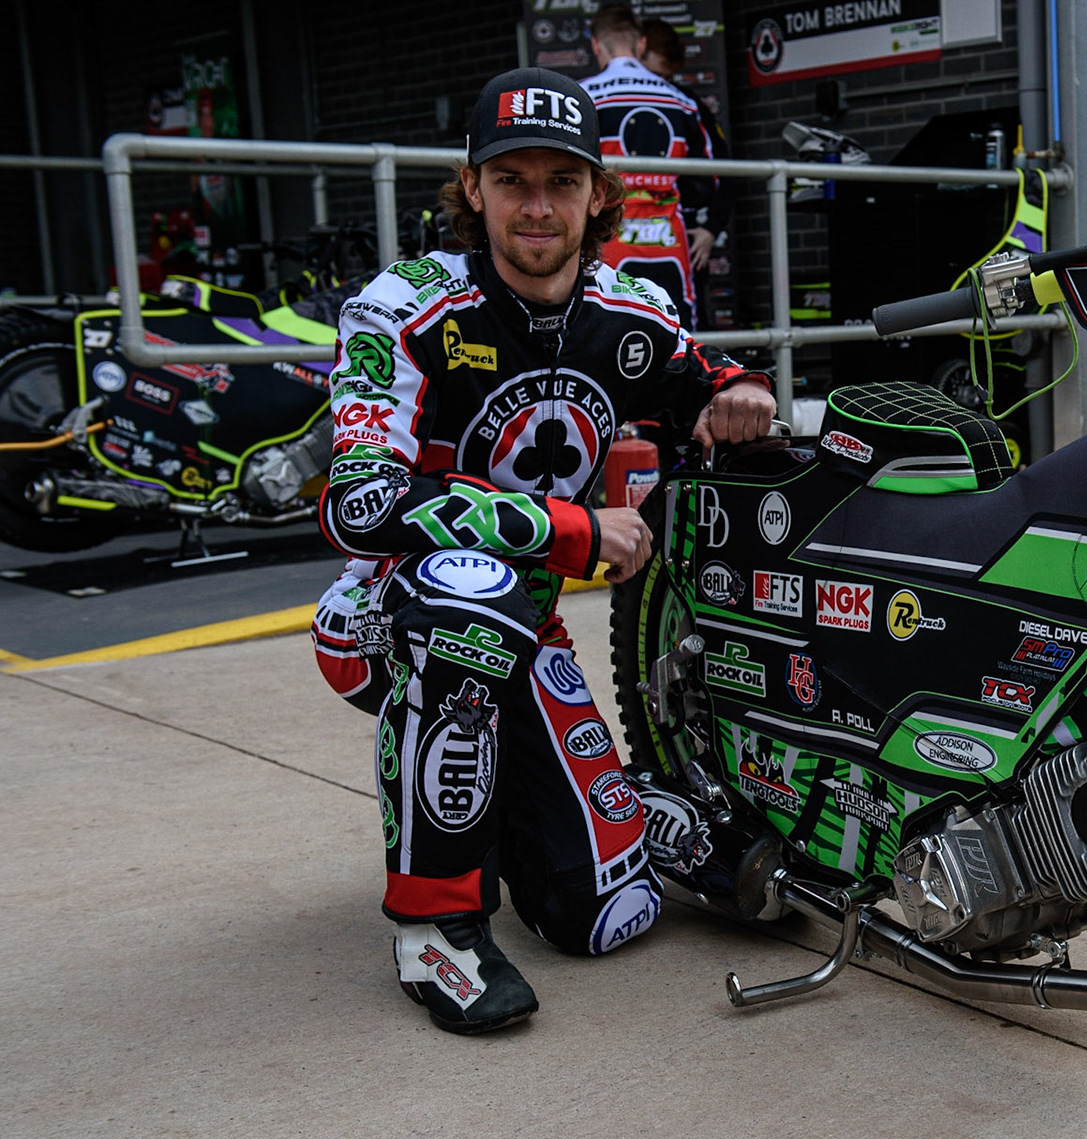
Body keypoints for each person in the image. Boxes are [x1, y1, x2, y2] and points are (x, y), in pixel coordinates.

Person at [309, 66, 775, 1034]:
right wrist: (570, 532)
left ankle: (619, 811)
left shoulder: (631, 309)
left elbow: (701, 378)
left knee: (602, 916)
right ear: (470, 188)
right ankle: (434, 931)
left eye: (561, 182)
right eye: (510, 180)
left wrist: (741, 389)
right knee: (470, 592)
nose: (535, 207)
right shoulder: (402, 305)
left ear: (599, 194)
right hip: (386, 612)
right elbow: (359, 505)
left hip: (529, 623)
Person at [580, 6, 726, 327]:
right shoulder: (682, 101)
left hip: (609, 236)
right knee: (677, 330)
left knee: (607, 326)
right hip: (669, 236)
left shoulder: (583, 98)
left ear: (596, 45)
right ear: (641, 43)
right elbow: (711, 178)